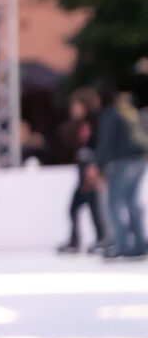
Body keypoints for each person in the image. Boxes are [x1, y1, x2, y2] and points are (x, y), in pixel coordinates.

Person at [93, 80, 148, 260]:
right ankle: (139, 243)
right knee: (131, 202)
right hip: (139, 159)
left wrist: (99, 165)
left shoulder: (112, 113)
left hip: (121, 161)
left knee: (114, 202)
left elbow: (107, 140)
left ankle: (122, 244)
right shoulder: (130, 112)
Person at [59, 91, 109, 254]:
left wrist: (95, 168)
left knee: (94, 209)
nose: (72, 109)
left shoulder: (96, 122)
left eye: (75, 105)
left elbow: (98, 146)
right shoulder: (81, 124)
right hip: (83, 174)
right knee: (74, 208)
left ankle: (101, 240)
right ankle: (77, 241)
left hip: (91, 174)